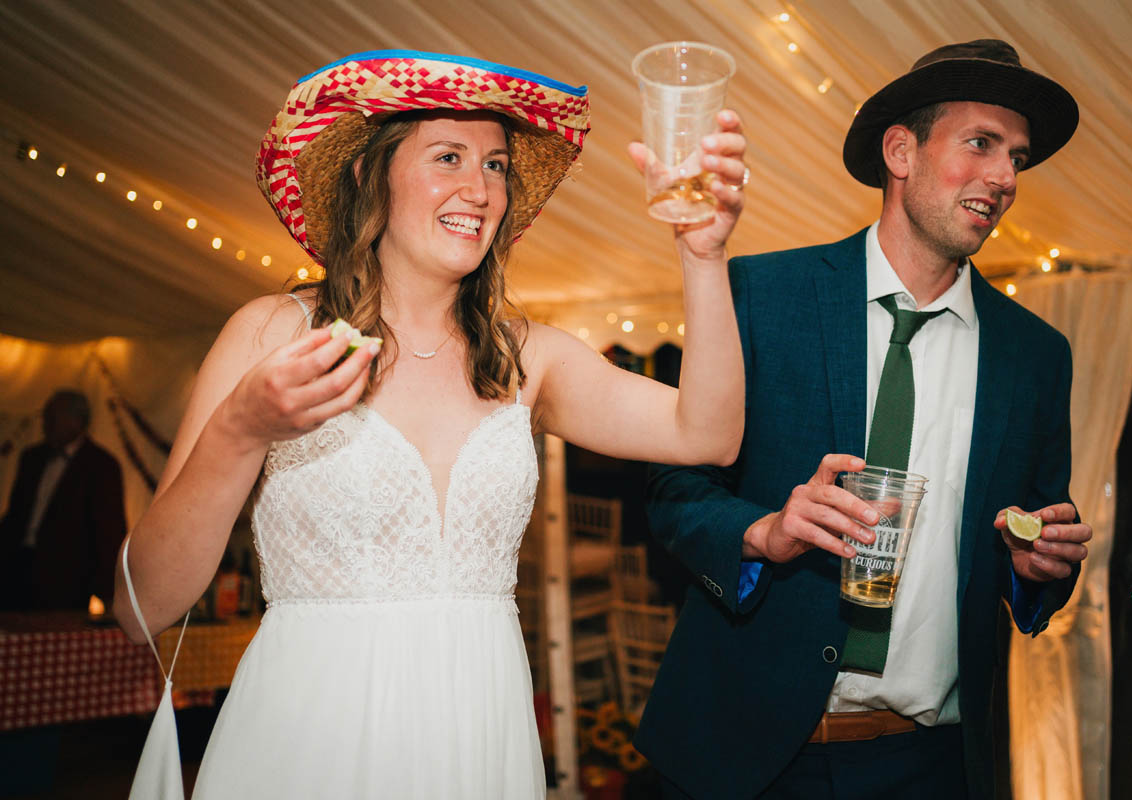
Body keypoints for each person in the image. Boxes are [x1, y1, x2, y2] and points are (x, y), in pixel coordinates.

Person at [111, 50, 748, 798]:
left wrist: (703, 258)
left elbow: (706, 434)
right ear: (367, 176)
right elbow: (139, 608)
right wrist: (240, 429)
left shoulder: (525, 356)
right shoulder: (273, 335)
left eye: (497, 166)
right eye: (448, 157)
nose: (479, 191)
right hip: (311, 737)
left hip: (481, 735)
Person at [637, 39, 1092, 800]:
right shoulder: (759, 294)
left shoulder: (1036, 355)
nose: (1006, 177)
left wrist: (1043, 566)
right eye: (980, 144)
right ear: (900, 151)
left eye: (1016, 155)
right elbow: (671, 489)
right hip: (741, 756)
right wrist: (763, 533)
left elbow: (1035, 541)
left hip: (928, 766)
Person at [0, 390, 125, 611]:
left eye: (52, 418)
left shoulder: (101, 465)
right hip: (17, 570)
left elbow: (109, 531)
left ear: (77, 422)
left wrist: (108, 590)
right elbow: (15, 515)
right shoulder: (32, 458)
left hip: (66, 580)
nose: (45, 424)